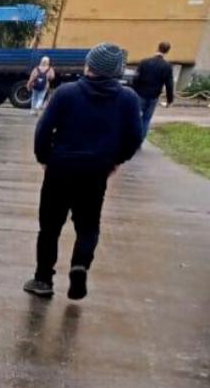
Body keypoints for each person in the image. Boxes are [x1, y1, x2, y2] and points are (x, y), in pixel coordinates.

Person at [24, 43, 143, 301]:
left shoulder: (67, 93)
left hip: (60, 168)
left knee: (50, 227)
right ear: (117, 71)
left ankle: (43, 279)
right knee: (88, 225)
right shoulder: (128, 99)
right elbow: (135, 136)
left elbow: (43, 130)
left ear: (89, 66)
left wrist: (44, 159)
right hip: (95, 172)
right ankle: (80, 266)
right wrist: (116, 161)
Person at [131, 41, 175, 138]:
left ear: (158, 48)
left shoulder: (144, 62)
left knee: (134, 117)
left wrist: (132, 91)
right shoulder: (167, 66)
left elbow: (135, 78)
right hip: (153, 96)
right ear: (167, 51)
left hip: (140, 94)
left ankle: (130, 138)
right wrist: (169, 100)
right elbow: (169, 84)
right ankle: (139, 140)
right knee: (146, 119)